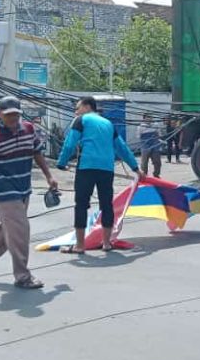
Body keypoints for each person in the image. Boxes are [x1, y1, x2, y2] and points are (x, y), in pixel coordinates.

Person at [0, 96, 57, 289]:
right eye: (8, 115)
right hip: (5, 192)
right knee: (20, 232)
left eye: (16, 114)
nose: (13, 119)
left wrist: (49, 176)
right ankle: (23, 276)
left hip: (24, 189)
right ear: (0, 116)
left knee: (5, 236)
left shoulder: (29, 130)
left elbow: (37, 153)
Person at [56, 96, 144, 254]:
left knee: (81, 204)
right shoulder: (108, 123)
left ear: (88, 106)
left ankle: (80, 245)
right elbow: (121, 147)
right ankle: (106, 243)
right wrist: (136, 168)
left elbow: (70, 143)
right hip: (106, 168)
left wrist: (61, 162)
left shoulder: (80, 120)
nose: (76, 111)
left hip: (87, 166)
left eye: (78, 107)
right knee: (106, 204)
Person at [138, 113, 163, 178]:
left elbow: (159, 134)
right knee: (144, 162)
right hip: (145, 145)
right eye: (147, 117)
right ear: (144, 118)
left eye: (150, 117)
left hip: (155, 145)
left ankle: (156, 174)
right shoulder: (140, 127)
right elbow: (138, 136)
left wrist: (158, 141)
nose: (149, 118)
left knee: (157, 161)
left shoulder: (156, 125)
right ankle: (144, 175)